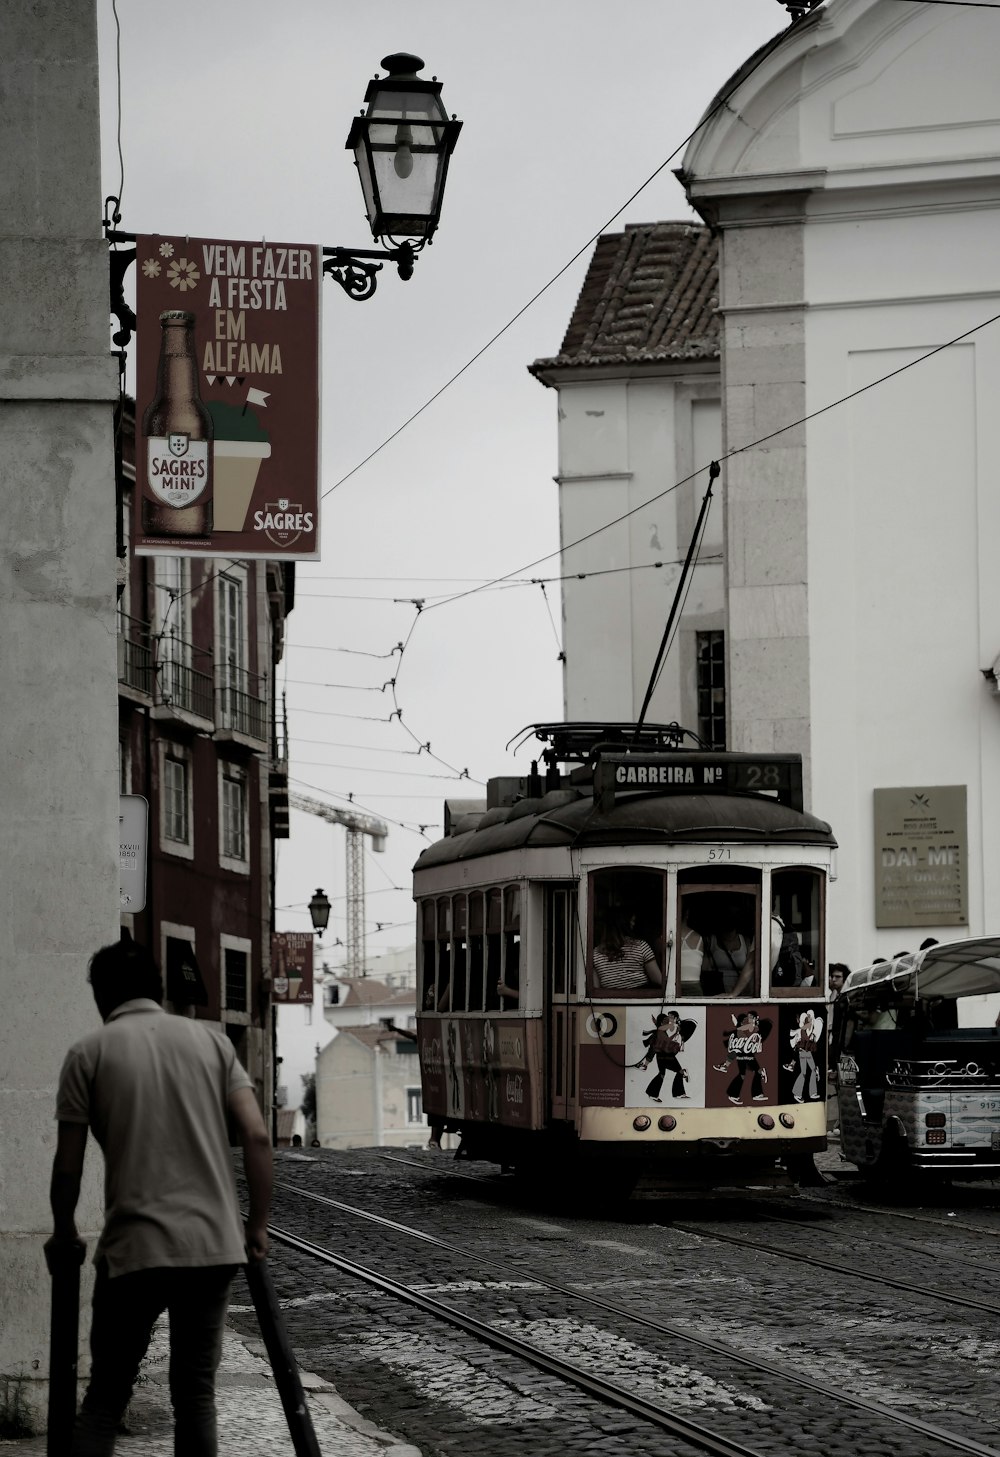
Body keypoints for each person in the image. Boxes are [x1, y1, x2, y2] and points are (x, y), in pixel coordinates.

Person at [45, 937, 273, 1457]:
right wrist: (256, 1227)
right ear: (160, 989)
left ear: (102, 997)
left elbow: (68, 1164)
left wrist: (64, 1230)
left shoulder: (88, 1054)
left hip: (135, 1248)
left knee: (105, 1398)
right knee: (196, 1396)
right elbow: (257, 1137)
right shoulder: (213, 1044)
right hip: (212, 1247)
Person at [592, 906, 663, 990]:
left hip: (611, 1001)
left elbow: (595, 989)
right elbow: (658, 980)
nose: (633, 924)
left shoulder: (595, 953)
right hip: (641, 1001)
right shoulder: (641, 946)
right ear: (624, 924)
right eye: (632, 921)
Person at [701, 903, 755, 997]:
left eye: (734, 915)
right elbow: (705, 970)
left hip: (742, 993)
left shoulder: (745, 941)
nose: (731, 919)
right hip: (717, 993)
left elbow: (751, 966)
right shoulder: (711, 941)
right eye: (728, 915)